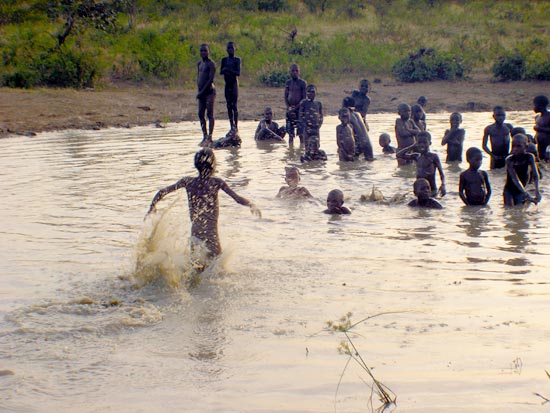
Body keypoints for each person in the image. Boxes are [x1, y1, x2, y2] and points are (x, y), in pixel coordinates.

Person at [146, 148, 261, 257]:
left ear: (196, 165)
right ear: (213, 165)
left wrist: (152, 206)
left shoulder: (188, 182)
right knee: (217, 268)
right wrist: (251, 204)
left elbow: (163, 191)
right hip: (211, 235)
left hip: (196, 234)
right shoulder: (216, 182)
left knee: (195, 268)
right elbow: (237, 198)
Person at [397, 131, 446, 197]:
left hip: (431, 190)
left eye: (424, 142)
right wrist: (413, 146)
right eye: (419, 142)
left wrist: (443, 185)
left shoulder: (433, 157)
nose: (422, 145)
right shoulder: (416, 157)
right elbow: (399, 155)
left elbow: (441, 174)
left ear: (430, 143)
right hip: (419, 190)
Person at [503, 133, 541, 206]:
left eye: (519, 146)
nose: (515, 149)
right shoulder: (509, 160)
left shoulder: (530, 157)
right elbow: (515, 179)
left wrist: (537, 191)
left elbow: (535, 175)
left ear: (526, 147)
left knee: (519, 211)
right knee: (509, 209)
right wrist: (525, 193)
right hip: (509, 190)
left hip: (521, 188)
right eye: (513, 146)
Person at [196, 43, 216, 147]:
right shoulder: (199, 64)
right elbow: (199, 77)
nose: (203, 52)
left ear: (209, 52)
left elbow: (210, 79)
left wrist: (202, 92)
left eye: (205, 50)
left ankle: (210, 137)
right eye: (201, 51)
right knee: (200, 114)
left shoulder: (211, 64)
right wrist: (199, 92)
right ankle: (204, 135)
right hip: (201, 93)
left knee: (210, 114)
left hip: (209, 92)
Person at [220, 41, 241, 132]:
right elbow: (221, 71)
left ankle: (235, 125)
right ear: (226, 50)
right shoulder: (224, 60)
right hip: (227, 83)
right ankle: (231, 125)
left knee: (234, 106)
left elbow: (238, 73)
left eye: (232, 48)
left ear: (235, 49)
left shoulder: (237, 60)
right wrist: (226, 70)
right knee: (228, 105)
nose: (230, 50)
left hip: (234, 84)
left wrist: (228, 70)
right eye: (228, 48)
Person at [284, 63, 307, 144]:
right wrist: (288, 107)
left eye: (296, 71)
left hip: (300, 111)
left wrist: (296, 108)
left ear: (299, 72)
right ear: (289, 72)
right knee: (290, 135)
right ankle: (290, 150)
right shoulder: (288, 83)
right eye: (293, 71)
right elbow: (286, 97)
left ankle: (302, 151)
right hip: (290, 111)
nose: (295, 72)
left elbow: (304, 99)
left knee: (301, 134)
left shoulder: (302, 83)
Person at [298, 84, 323, 149]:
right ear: (306, 93)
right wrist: (305, 126)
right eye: (309, 92)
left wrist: (319, 125)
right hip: (307, 129)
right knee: (307, 146)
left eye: (313, 92)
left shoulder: (318, 103)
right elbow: (300, 116)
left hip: (316, 128)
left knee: (317, 146)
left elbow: (321, 115)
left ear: (316, 93)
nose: (311, 94)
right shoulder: (303, 103)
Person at [533, 95, 550, 162]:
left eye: (535, 105)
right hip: (540, 144)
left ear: (541, 106)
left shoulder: (549, 116)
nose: (533, 107)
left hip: (548, 145)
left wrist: (540, 129)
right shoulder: (537, 117)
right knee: (541, 158)